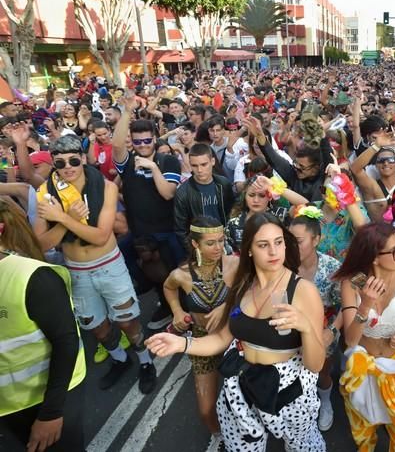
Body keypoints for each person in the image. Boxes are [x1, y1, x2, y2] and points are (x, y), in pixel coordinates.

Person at [146, 212, 327, 451]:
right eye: (263, 245)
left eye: (279, 242)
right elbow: (222, 337)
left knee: (303, 445)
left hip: (289, 392)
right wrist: (182, 344)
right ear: (249, 249)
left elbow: (315, 365)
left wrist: (304, 326)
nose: (274, 252)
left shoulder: (303, 291)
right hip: (242, 386)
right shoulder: (242, 285)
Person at [33, 135, 157, 394]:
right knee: (96, 326)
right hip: (77, 271)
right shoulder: (45, 193)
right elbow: (41, 244)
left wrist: (62, 220)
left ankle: (145, 361)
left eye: (74, 160)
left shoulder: (106, 187)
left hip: (109, 265)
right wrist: (67, 217)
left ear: (83, 158)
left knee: (128, 322)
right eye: (60, 162)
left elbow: (101, 236)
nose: (68, 167)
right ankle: (120, 359)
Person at [334, 222, 395, 452]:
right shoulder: (353, 283)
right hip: (364, 367)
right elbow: (350, 340)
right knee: (363, 425)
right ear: (374, 258)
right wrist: (365, 304)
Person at [0, 199, 87, 452]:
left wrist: (50, 413)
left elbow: (66, 341)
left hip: (47, 399)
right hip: (8, 406)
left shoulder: (34, 277)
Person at [162, 216, 234, 449]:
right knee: (205, 409)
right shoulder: (181, 275)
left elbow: (249, 289)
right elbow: (168, 287)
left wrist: (226, 305)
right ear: (195, 244)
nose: (218, 248)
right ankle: (219, 436)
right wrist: (176, 310)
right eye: (210, 243)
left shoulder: (232, 264)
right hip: (201, 339)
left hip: (234, 338)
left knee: (244, 398)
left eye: (221, 241)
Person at [113, 95, 183, 330]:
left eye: (146, 140)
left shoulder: (168, 162)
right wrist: (126, 112)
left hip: (167, 231)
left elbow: (168, 194)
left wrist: (153, 168)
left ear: (155, 138)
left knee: (173, 274)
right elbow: (116, 146)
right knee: (141, 268)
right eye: (137, 141)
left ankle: (180, 311)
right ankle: (163, 302)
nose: (142, 145)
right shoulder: (127, 162)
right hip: (140, 231)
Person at [289, 210, 342, 431]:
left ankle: (326, 402)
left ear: (316, 239)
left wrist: (332, 330)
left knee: (321, 373)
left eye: (298, 241)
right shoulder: (281, 265)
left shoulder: (332, 268)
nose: (292, 246)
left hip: (322, 332)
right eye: (288, 240)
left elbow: (346, 306)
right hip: (288, 334)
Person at [173, 143, 235, 248]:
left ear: (213, 161)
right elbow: (180, 230)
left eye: (204, 164)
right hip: (200, 245)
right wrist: (194, 251)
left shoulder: (223, 184)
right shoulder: (183, 193)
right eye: (194, 166)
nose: (199, 170)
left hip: (225, 241)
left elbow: (232, 214)